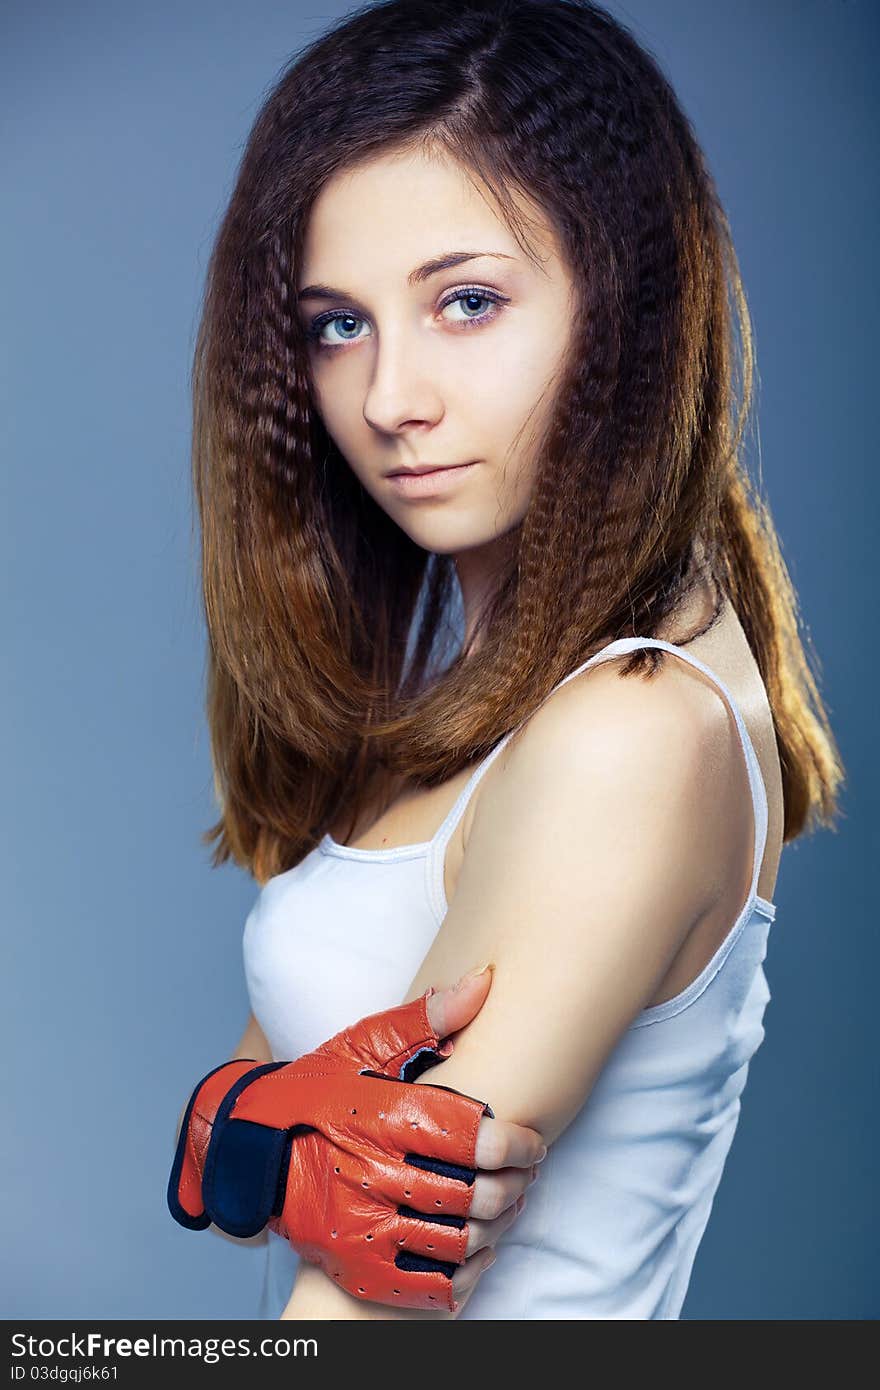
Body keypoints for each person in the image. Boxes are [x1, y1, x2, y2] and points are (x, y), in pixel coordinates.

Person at [182, 0, 844, 1320]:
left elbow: (380, 1276)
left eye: (466, 302)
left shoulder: (632, 728)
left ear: (629, 306)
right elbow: (247, 1114)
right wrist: (249, 1139)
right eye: (337, 324)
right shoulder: (464, 713)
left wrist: (235, 1144)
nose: (387, 398)